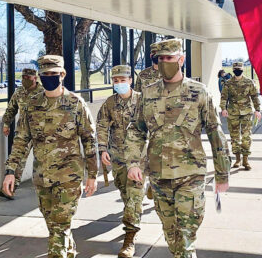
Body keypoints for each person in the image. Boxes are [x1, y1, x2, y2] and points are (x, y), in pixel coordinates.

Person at [125, 38, 231, 258]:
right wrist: (133, 162)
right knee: (171, 235)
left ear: (181, 59)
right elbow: (136, 129)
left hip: (190, 175)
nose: (165, 62)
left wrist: (222, 174)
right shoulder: (148, 92)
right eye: (161, 58)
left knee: (185, 236)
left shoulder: (198, 92)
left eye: (170, 58)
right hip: (159, 176)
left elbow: (215, 133)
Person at [1, 55, 98, 258]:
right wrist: (11, 172)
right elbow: (21, 141)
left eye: (53, 74)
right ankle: (68, 251)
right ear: (39, 76)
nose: (49, 77)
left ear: (62, 75)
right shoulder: (31, 105)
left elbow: (89, 140)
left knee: (60, 226)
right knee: (53, 224)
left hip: (69, 178)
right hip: (42, 177)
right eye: (45, 74)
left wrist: (92, 175)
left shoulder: (75, 103)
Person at [96, 65, 144, 258]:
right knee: (124, 191)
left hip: (139, 159)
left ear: (130, 80)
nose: (119, 84)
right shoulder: (109, 103)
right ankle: (131, 212)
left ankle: (129, 239)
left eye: (122, 80)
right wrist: (102, 149)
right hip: (118, 157)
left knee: (133, 197)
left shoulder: (143, 101)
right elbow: (101, 126)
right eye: (115, 81)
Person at [0, 68, 44, 200]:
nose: (25, 80)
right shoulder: (19, 92)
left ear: (35, 78)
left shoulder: (43, 92)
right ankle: (10, 188)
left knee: (43, 161)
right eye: (23, 77)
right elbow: (11, 108)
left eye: (28, 78)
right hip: (23, 132)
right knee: (18, 160)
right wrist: (6, 124)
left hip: (42, 133)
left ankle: (48, 189)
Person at [220, 62, 262, 170]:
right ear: (233, 70)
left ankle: (245, 160)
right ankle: (238, 159)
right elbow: (224, 97)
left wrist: (257, 110)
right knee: (234, 137)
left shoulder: (249, 82)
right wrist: (223, 109)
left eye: (239, 69)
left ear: (242, 69)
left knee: (246, 136)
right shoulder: (228, 83)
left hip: (246, 113)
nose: (237, 70)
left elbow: (254, 97)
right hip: (233, 113)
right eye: (236, 69)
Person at [134, 41, 162, 200]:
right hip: (146, 120)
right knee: (144, 153)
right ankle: (146, 181)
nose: (157, 57)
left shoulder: (170, 73)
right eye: (154, 55)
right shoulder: (143, 75)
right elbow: (137, 98)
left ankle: (154, 183)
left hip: (165, 122)